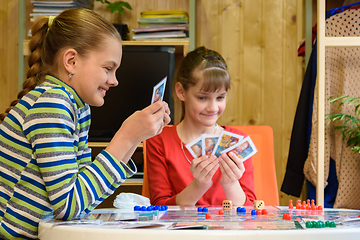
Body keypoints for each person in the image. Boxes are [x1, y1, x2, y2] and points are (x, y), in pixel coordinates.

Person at [0, 9, 170, 240]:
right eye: (108, 68)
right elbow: (68, 206)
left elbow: (83, 199)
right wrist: (125, 138)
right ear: (71, 61)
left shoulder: (75, 107)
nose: (115, 80)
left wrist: (136, 137)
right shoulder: (52, 105)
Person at [146, 46, 256, 206]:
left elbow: (251, 210)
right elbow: (161, 208)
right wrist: (198, 185)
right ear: (181, 92)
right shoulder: (159, 140)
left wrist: (231, 184)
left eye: (220, 97)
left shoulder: (238, 142)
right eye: (202, 98)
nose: (213, 107)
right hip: (182, 230)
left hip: (228, 230)